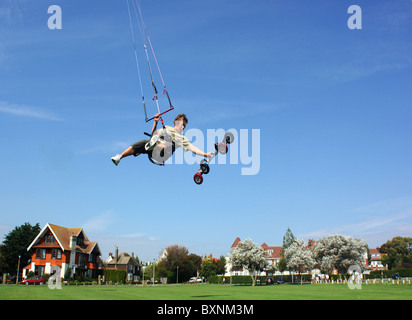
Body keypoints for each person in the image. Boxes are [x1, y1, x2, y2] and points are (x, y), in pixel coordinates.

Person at [111, 113, 213, 166]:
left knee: (170, 143)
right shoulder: (167, 128)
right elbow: (153, 134)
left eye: (184, 126)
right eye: (181, 124)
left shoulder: (182, 138)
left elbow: (193, 149)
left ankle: (154, 145)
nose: (182, 127)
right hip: (153, 150)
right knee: (143, 143)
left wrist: (205, 154)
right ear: (175, 123)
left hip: (163, 154)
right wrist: (155, 122)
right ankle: (119, 157)